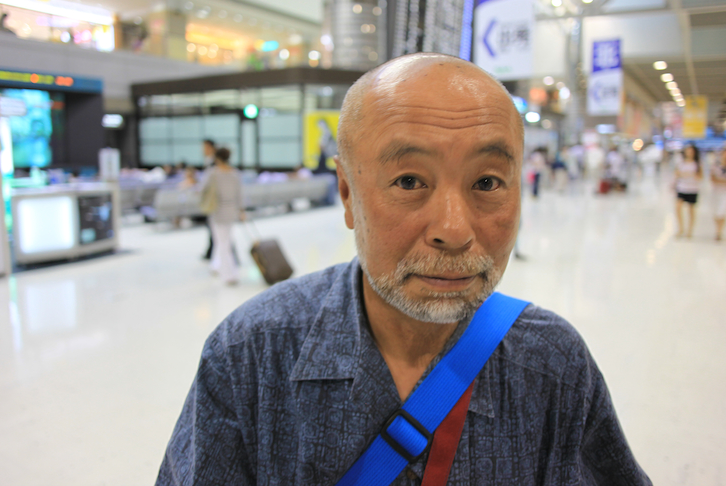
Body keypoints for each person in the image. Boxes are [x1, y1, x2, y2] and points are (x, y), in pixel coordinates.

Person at [156, 54, 650, 485]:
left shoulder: (553, 365)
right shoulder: (251, 355)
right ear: (347, 193)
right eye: (410, 181)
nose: (453, 230)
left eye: (487, 182)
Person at [205, 147, 243, 283]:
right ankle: (215, 265)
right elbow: (239, 194)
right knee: (223, 240)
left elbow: (204, 189)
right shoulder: (234, 173)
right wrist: (241, 211)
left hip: (218, 211)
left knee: (223, 243)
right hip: (231, 211)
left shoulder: (213, 173)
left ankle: (229, 274)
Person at [673, 143, 701, 238]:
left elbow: (700, 176)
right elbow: (676, 173)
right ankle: (680, 228)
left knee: (691, 210)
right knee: (678, 207)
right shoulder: (681, 162)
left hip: (692, 189)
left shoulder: (696, 164)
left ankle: (690, 230)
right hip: (682, 188)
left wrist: (692, 175)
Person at [201, 139, 217, 260]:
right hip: (213, 201)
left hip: (215, 201)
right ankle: (211, 252)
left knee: (217, 230)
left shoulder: (214, 164)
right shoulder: (209, 162)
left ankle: (212, 252)